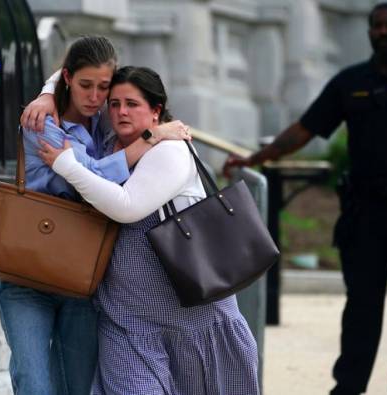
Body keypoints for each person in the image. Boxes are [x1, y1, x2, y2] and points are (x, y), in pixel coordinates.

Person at [225, 3, 387, 395]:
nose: (384, 32)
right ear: (370, 32)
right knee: (361, 309)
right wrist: (256, 158)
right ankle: (349, 387)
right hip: (365, 214)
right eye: (378, 26)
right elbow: (305, 129)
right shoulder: (349, 83)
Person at [38, 66, 259, 394]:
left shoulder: (172, 150)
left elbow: (127, 207)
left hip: (193, 319)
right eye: (113, 104)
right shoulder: (110, 143)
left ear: (156, 111)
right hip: (128, 322)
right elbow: (77, 69)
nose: (120, 111)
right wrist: (46, 94)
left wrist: (66, 165)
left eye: (132, 104)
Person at [0, 36, 190, 395]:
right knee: (35, 384)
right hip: (27, 274)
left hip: (82, 276)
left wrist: (48, 88)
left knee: (79, 385)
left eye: (104, 88)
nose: (96, 97)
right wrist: (151, 136)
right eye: (86, 85)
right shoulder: (42, 122)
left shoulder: (102, 121)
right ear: (68, 78)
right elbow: (93, 173)